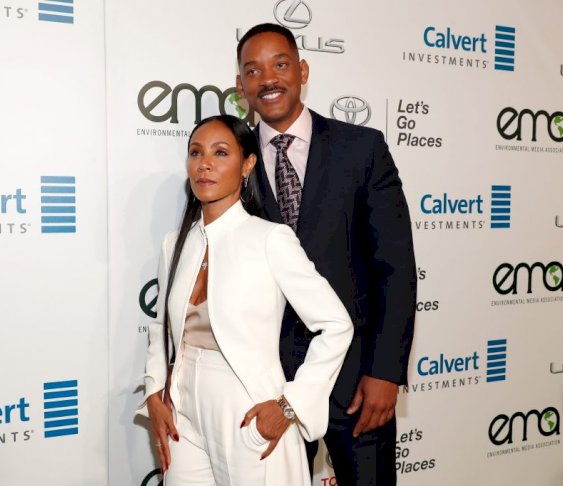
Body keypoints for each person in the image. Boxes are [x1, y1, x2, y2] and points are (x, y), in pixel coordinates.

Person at [235, 23, 417, 485]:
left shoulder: (362, 149)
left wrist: (384, 372)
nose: (268, 79)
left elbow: (395, 268)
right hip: (267, 384)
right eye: (253, 71)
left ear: (302, 69)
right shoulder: (229, 161)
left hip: (356, 381)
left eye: (280, 64)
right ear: (241, 87)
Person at [137, 114, 353, 485]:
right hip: (183, 406)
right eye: (195, 152)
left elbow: (336, 325)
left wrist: (290, 405)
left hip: (246, 408)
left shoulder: (270, 239)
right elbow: (161, 328)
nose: (204, 163)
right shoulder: (174, 243)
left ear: (247, 164)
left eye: (220, 153)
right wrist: (156, 390)